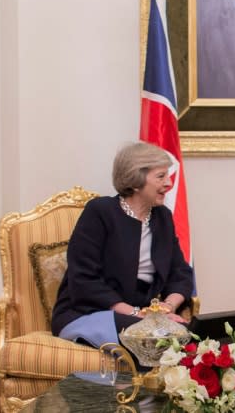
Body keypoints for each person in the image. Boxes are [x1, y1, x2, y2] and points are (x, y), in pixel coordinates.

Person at [51, 142, 194, 349]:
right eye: (161, 176)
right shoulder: (100, 212)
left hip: (144, 317)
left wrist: (166, 307)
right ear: (136, 181)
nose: (169, 183)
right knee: (156, 340)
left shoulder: (162, 217)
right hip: (89, 312)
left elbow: (180, 273)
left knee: (196, 339)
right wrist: (138, 314)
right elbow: (84, 279)